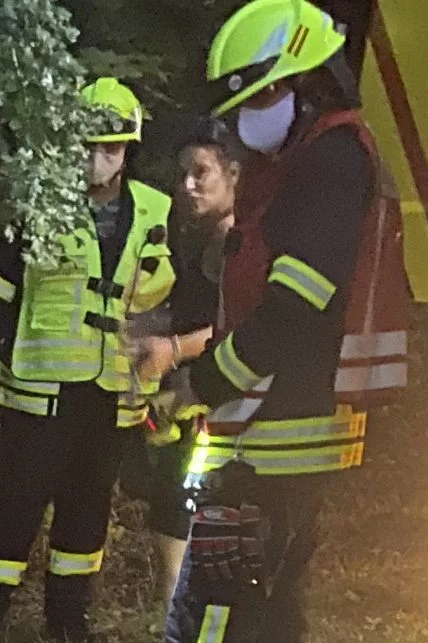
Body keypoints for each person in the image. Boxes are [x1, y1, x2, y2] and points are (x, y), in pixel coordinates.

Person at [75, 0, 376, 643]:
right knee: (275, 610)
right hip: (299, 437)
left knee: (205, 610)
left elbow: (292, 308)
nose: (248, 121)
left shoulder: (328, 166)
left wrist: (203, 387)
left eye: (258, 100)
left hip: (270, 441)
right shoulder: (326, 159)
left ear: (304, 83)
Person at [0, 77, 176, 643]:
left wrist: (171, 378)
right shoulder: (36, 209)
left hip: (110, 397)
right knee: (14, 514)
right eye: (86, 147)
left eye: (111, 149)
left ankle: (67, 622)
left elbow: (166, 304)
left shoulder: (156, 212)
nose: (96, 161)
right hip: (36, 395)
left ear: (129, 151)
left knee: (86, 517)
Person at [126, 125, 243, 612]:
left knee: (192, 493)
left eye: (201, 174)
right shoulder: (198, 236)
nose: (187, 186)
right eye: (182, 175)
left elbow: (234, 324)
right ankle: (172, 601)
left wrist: (172, 350)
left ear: (233, 174)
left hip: (222, 391)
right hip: (193, 390)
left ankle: (190, 603)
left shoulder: (234, 242)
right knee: (172, 489)